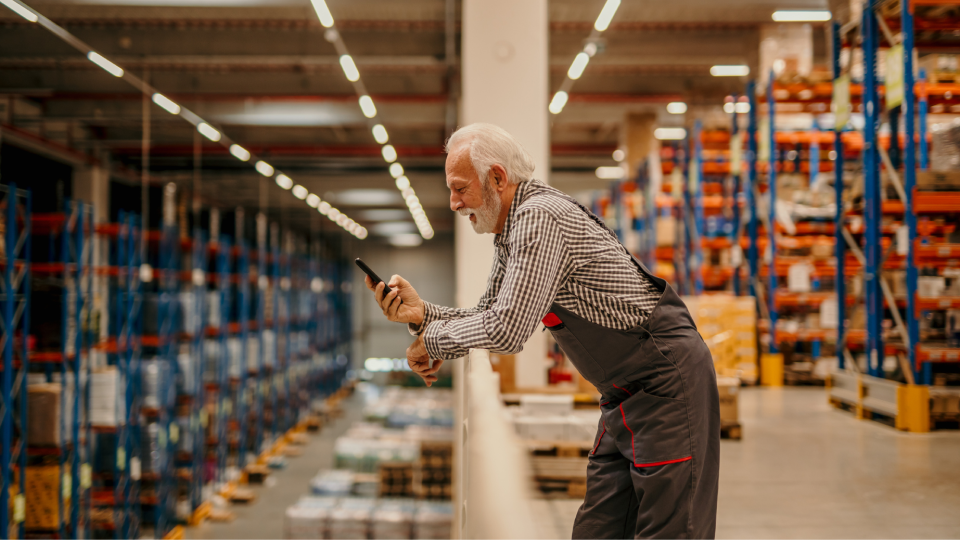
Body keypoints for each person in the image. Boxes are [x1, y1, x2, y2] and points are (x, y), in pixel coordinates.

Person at [364, 123, 719, 539]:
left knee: (671, 531)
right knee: (597, 529)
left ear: (497, 178)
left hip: (666, 386)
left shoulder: (538, 218)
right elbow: (489, 312)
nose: (454, 202)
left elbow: (508, 329)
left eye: (460, 188)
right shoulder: (512, 227)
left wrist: (434, 341)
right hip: (625, 396)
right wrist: (422, 315)